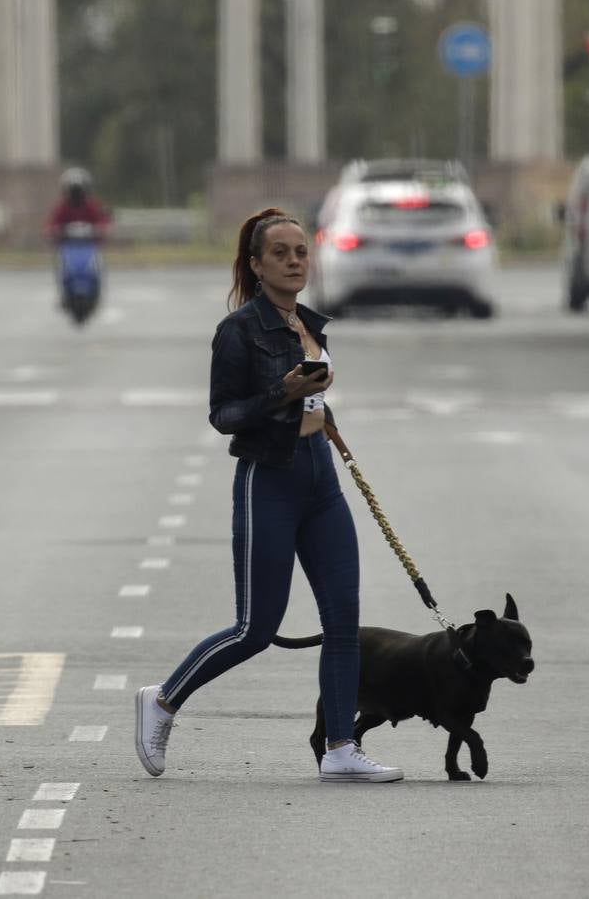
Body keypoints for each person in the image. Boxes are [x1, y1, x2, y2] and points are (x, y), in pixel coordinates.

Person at [134, 207, 402, 783]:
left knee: (343, 620)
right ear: (256, 266)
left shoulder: (309, 323)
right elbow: (223, 415)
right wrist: (281, 394)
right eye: (279, 253)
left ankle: (339, 747)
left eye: (301, 251)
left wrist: (317, 410)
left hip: (320, 477)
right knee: (256, 628)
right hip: (268, 479)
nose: (294, 261)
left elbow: (310, 397)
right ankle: (163, 700)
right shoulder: (239, 330)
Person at [45, 167, 110, 242]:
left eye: (78, 190)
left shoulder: (92, 205)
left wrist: (100, 230)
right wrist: (55, 231)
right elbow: (51, 225)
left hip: (90, 246)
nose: (76, 194)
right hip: (66, 246)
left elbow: (103, 223)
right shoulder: (62, 207)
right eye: (73, 191)